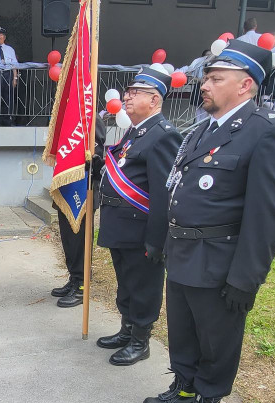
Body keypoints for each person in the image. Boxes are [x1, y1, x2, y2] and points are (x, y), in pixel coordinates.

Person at [143, 39, 275, 403]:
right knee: (183, 330)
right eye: (206, 78)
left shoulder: (267, 131)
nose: (205, 85)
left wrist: (246, 278)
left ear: (245, 85)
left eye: (215, 78)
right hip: (182, 253)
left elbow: (269, 214)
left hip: (219, 260)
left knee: (216, 337)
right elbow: (178, 190)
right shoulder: (200, 131)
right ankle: (185, 388)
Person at [94, 67, 181, 366]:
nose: (127, 97)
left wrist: (157, 240)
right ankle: (127, 330)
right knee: (126, 283)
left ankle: (140, 341)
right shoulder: (136, 131)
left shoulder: (163, 136)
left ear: (154, 100)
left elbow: (163, 194)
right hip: (121, 227)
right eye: (127, 92)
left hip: (141, 230)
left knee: (143, 286)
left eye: (135, 93)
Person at [50, 115, 105, 308]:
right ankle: (74, 278)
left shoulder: (90, 117)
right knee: (69, 240)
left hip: (83, 190)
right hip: (67, 189)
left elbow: (97, 151)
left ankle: (82, 285)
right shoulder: (69, 116)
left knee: (80, 241)